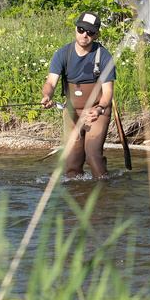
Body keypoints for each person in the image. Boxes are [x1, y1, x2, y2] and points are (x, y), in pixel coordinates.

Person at [41, 12, 116, 178]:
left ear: (97, 34)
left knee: (93, 157)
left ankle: (103, 193)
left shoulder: (103, 56)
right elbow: (51, 83)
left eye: (90, 32)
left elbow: (108, 92)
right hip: (72, 112)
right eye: (81, 29)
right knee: (72, 163)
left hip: (97, 112)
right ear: (75, 28)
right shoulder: (62, 54)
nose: (84, 34)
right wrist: (47, 96)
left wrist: (99, 109)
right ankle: (76, 198)